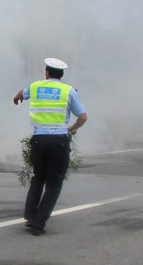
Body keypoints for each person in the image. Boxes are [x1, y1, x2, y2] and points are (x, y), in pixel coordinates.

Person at [13, 58, 88, 236]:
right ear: (61, 75)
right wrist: (71, 129)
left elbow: (20, 95)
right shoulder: (68, 91)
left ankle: (31, 217)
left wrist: (17, 98)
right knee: (54, 183)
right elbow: (83, 117)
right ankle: (38, 224)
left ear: (47, 72)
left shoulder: (35, 87)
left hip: (39, 140)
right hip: (59, 142)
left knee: (38, 178)